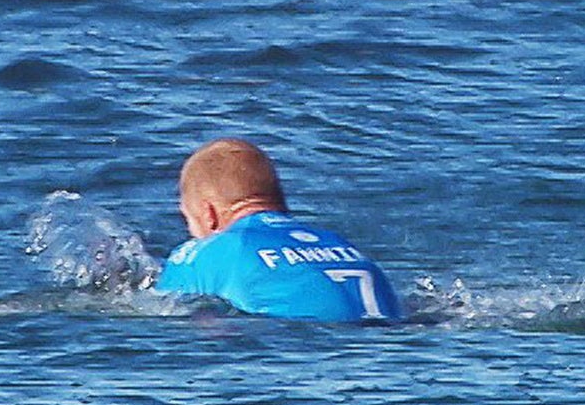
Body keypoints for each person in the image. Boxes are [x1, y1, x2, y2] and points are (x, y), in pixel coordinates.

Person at [152, 137, 404, 322]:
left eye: (188, 218)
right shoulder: (338, 244)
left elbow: (159, 309)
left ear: (209, 214)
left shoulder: (211, 251)